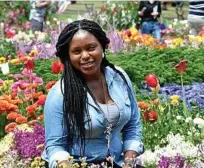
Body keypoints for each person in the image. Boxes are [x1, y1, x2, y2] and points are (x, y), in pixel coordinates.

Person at [42, 19, 144, 168]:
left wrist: (129, 161)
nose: (85, 56)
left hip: (118, 162)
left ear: (102, 47)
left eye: (91, 48)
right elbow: (55, 146)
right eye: (77, 51)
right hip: (78, 163)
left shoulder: (119, 78)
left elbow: (133, 125)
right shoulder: (60, 94)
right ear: (68, 56)